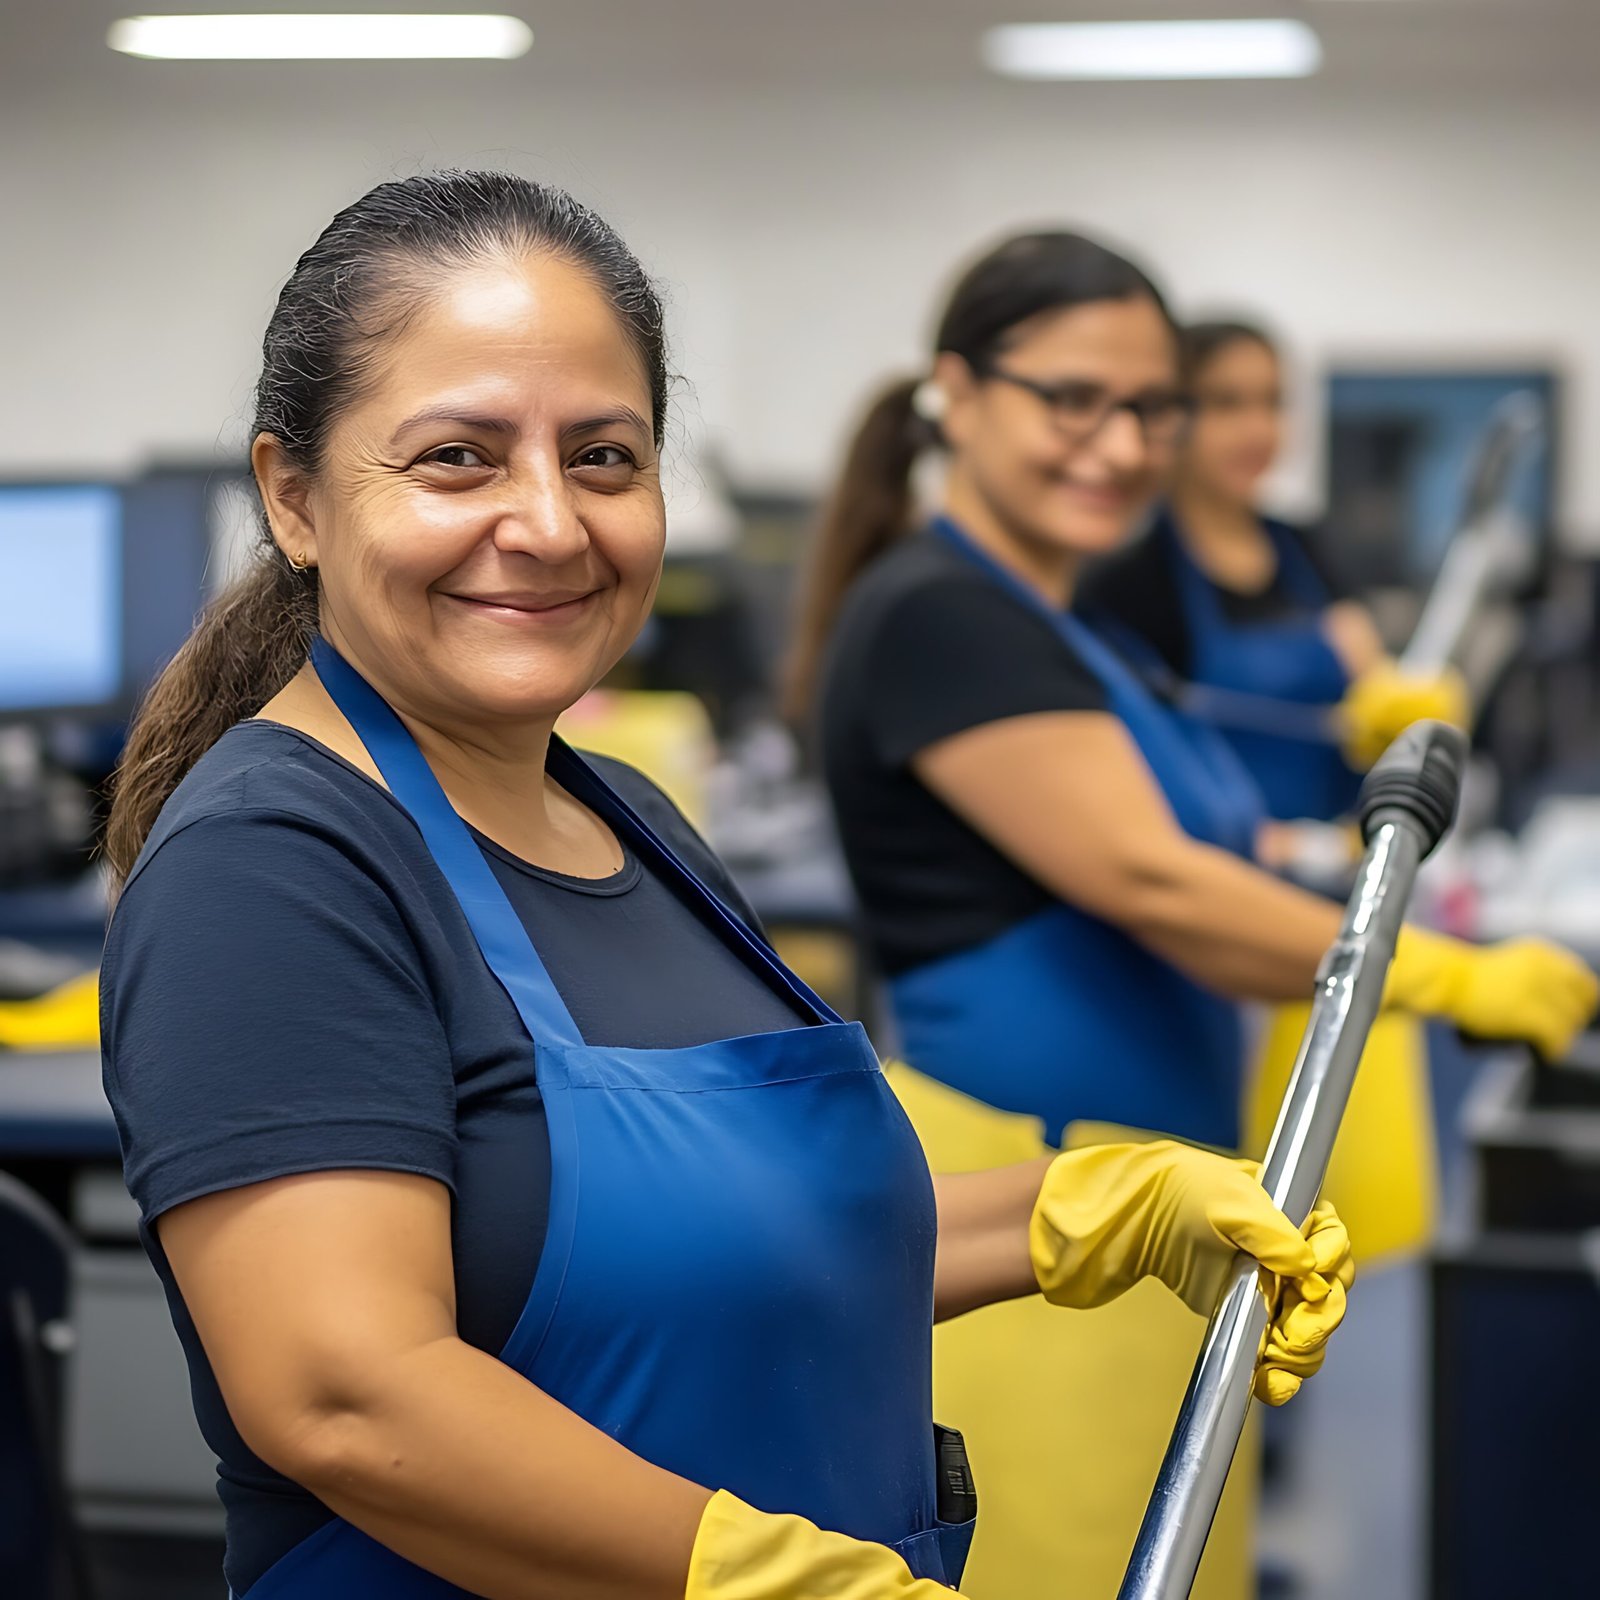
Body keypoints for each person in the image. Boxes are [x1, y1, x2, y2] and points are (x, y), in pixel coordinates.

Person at [97, 174, 1349, 1600]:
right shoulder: (276, 868)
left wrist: (1089, 1210)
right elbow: (348, 1397)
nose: (551, 523)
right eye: (457, 458)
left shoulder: (625, 817)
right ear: (294, 497)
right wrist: (769, 1579)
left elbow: (755, 1242)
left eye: (606, 458)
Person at [791, 229, 1596, 1597]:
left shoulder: (1069, 626)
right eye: (1071, 399)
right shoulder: (942, 615)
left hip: (1147, 1199)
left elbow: (1212, 843)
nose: (1118, 443)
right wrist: (1439, 975)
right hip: (1027, 1222)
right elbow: (1153, 883)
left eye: (1151, 407)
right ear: (959, 394)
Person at [1078, 317, 1464, 830]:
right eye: (1227, 403)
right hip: (1212, 869)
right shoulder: (1132, 578)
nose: (1258, 429)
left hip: (1338, 856)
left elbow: (1365, 666)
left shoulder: (1306, 547)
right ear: (1172, 415)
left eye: (1273, 403)